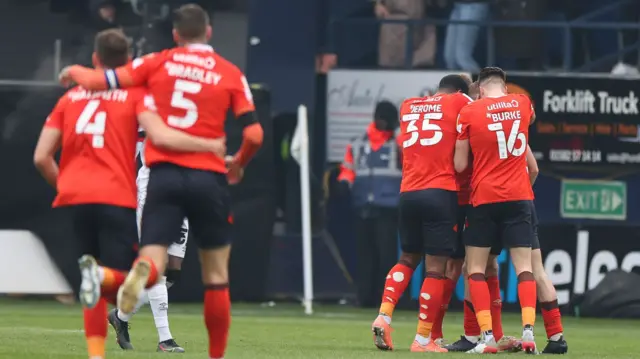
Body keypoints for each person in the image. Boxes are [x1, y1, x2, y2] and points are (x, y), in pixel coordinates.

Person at [59, 5, 263, 359]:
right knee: (214, 275)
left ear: (175, 34)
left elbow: (99, 80)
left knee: (163, 266)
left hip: (161, 176)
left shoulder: (153, 70)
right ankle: (175, 340)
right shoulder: (228, 73)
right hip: (202, 175)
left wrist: (72, 70)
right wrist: (236, 162)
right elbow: (255, 134)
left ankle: (121, 309)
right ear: (210, 32)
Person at [34, 28, 225, 359]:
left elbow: (43, 155)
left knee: (167, 270)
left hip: (172, 183)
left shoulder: (149, 95)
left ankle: (118, 318)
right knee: (153, 265)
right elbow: (155, 134)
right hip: (151, 183)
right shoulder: (140, 98)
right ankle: (164, 338)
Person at [370, 75, 472, 353]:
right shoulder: (460, 101)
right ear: (460, 91)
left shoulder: (408, 105)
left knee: (407, 258)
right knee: (436, 268)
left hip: (408, 193)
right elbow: (481, 111)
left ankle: (384, 314)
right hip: (440, 192)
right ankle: (423, 339)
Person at [454, 67, 537, 354]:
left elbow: (461, 165)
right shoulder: (522, 103)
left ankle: (487, 337)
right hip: (519, 196)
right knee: (524, 267)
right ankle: (529, 334)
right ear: (504, 85)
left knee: (475, 268)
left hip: (485, 198)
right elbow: (527, 134)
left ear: (478, 89)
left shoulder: (470, 112)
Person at [107, 132, 188, 353]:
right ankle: (165, 339)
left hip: (184, 193)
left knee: (173, 271)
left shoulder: (195, 111)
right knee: (157, 267)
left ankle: (120, 316)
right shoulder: (150, 109)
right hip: (153, 191)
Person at [337, 100, 402, 308]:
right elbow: (348, 168)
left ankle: (387, 300)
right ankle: (364, 297)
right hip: (362, 205)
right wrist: (343, 182)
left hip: (388, 207)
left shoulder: (399, 144)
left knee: (387, 257)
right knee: (364, 255)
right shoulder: (358, 143)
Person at [443, 0, 490, 72]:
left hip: (473, 4)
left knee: (462, 57)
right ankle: (456, 82)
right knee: (450, 58)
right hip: (457, 6)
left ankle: (481, 82)